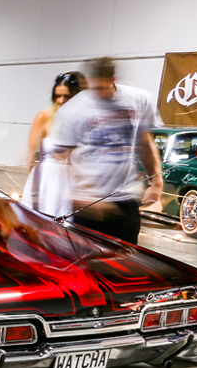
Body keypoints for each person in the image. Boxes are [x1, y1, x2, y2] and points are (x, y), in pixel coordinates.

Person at [48, 57, 162, 244]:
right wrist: (77, 198)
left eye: (102, 88)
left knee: (126, 257)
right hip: (88, 204)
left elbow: (144, 143)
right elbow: (61, 158)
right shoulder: (71, 111)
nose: (97, 94)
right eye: (93, 88)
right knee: (89, 259)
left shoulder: (138, 99)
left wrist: (156, 182)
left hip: (126, 199)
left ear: (113, 80)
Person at [21, 72, 82, 217]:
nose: (61, 100)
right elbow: (31, 156)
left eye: (66, 96)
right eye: (57, 96)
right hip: (46, 181)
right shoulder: (44, 117)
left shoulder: (83, 120)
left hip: (72, 184)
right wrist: (33, 191)